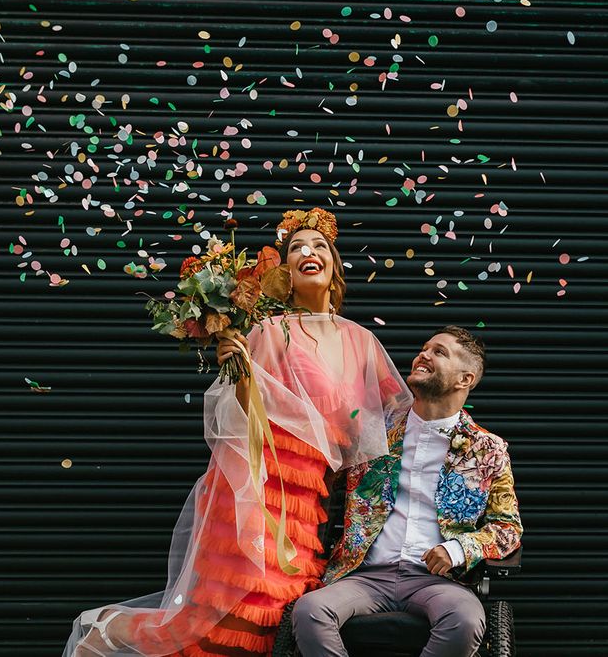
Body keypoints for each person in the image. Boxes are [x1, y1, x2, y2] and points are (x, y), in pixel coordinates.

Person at [63, 208, 412, 657]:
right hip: (256, 486)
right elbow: (247, 416)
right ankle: (100, 644)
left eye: (319, 245)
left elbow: (382, 432)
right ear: (284, 271)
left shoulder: (361, 341)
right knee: (233, 606)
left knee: (273, 615)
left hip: (308, 501)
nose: (308, 252)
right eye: (296, 248)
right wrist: (240, 366)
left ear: (334, 265)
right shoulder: (270, 329)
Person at [292, 326, 523, 657]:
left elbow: (507, 528)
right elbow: (315, 469)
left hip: (437, 582)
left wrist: (459, 549)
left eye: (439, 352)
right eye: (424, 348)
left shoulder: (487, 449)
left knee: (466, 620)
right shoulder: (371, 431)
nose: (423, 354)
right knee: (309, 612)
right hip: (365, 575)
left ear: (465, 379)